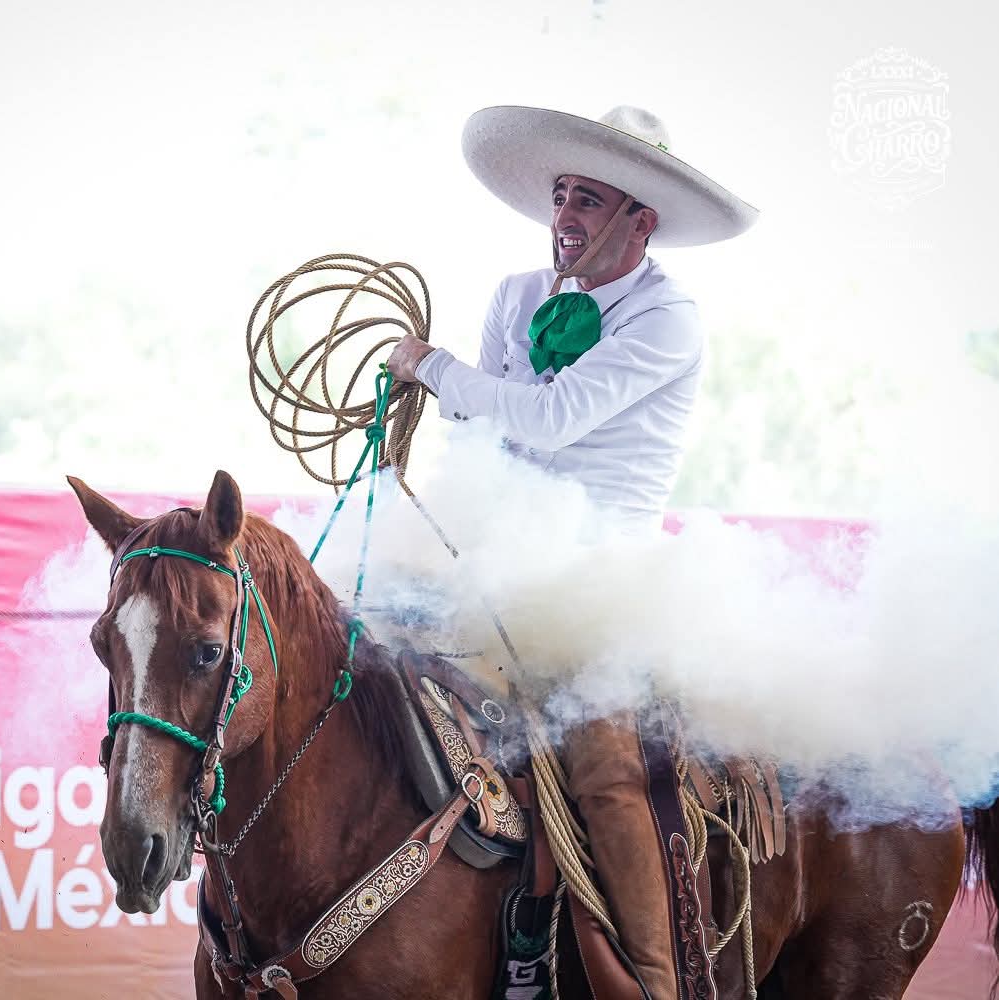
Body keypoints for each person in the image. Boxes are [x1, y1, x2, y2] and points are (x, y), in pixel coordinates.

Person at [387, 105, 757, 1000]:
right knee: (363, 667)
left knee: (605, 768)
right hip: (501, 562)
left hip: (604, 579)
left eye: (588, 200)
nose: (564, 216)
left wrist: (429, 367)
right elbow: (483, 431)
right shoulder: (516, 294)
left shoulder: (668, 318)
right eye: (560, 195)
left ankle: (656, 981)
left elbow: (550, 421)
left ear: (641, 221)